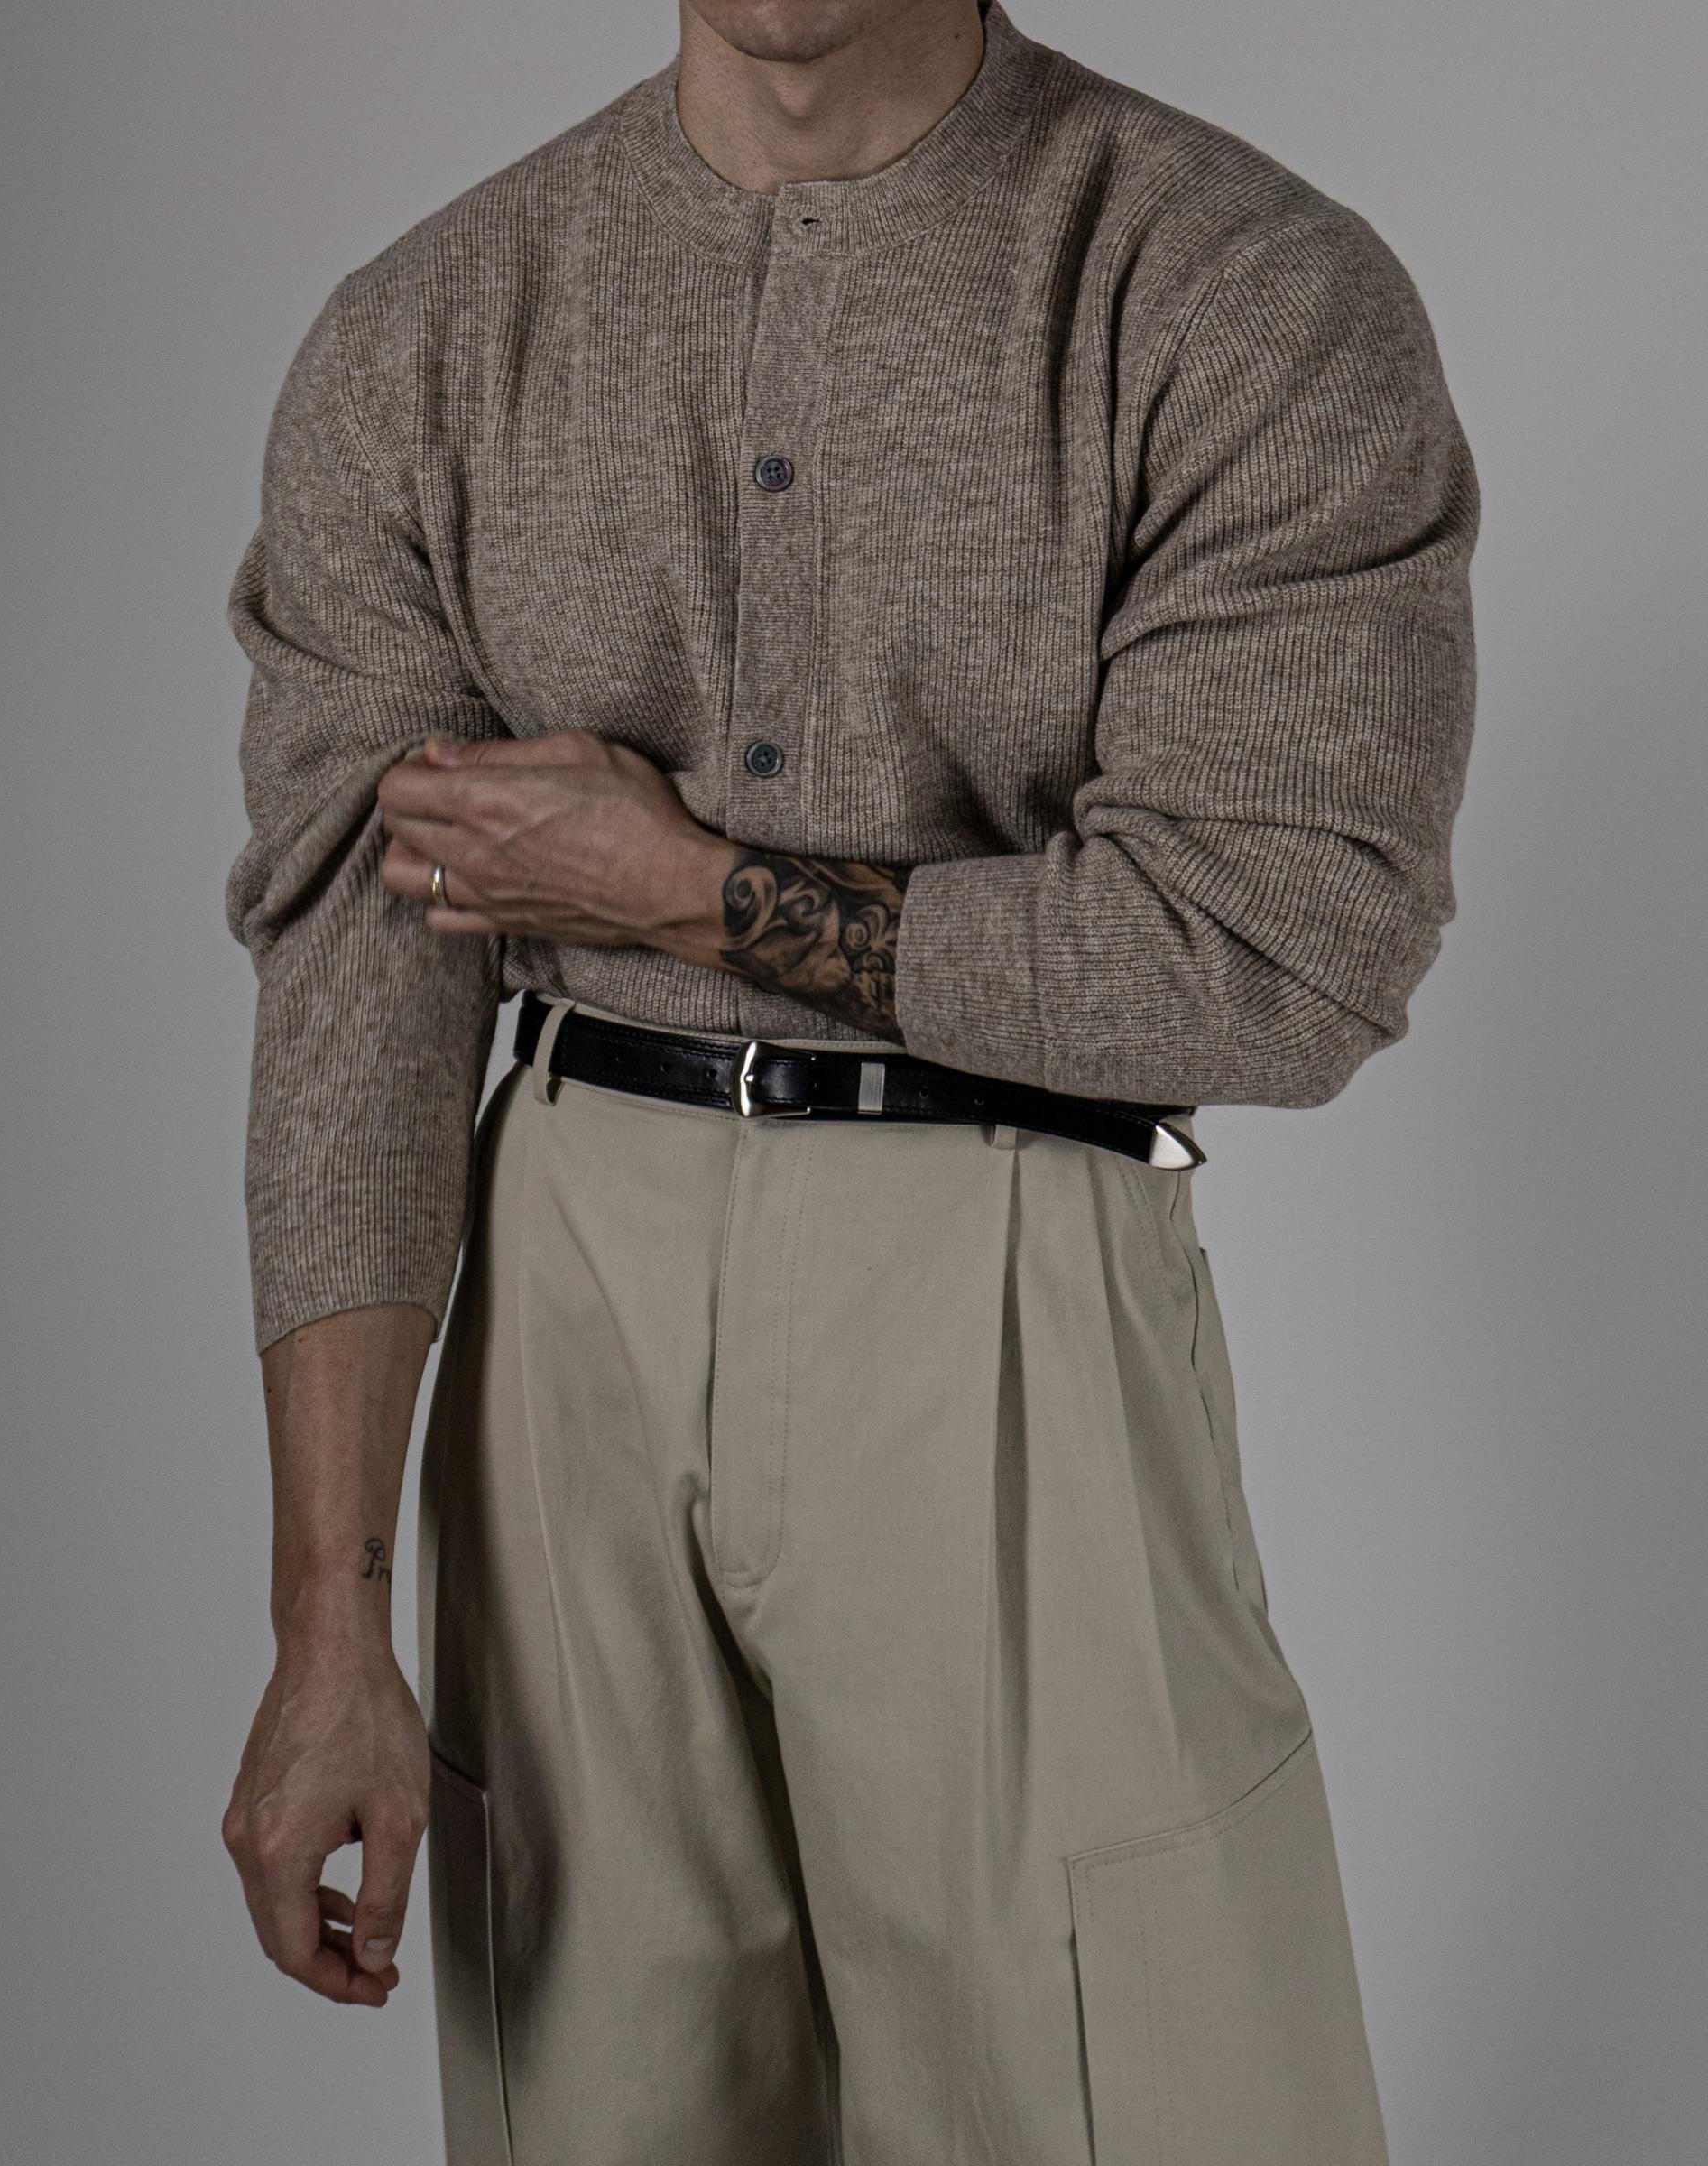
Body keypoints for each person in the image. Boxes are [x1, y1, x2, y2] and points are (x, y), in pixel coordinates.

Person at [219, 1, 1479, 2158]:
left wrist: (686, 889)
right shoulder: (427, 327)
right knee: (605, 2107)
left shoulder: (1239, 286)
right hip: (565, 1293)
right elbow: (356, 986)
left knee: (1124, 2088)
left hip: (1003, 1264)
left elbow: (1282, 959)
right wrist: (325, 1620)